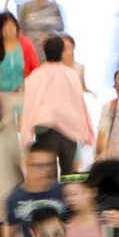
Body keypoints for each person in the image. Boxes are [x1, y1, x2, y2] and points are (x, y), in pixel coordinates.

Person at [20, 35, 92, 168]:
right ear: (61, 52)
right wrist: (87, 132)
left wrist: (27, 136)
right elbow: (79, 104)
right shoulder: (71, 75)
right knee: (69, 173)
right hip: (69, 130)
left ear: (44, 51)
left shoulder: (35, 76)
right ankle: (71, 189)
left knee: (47, 172)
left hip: (44, 130)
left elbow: (29, 106)